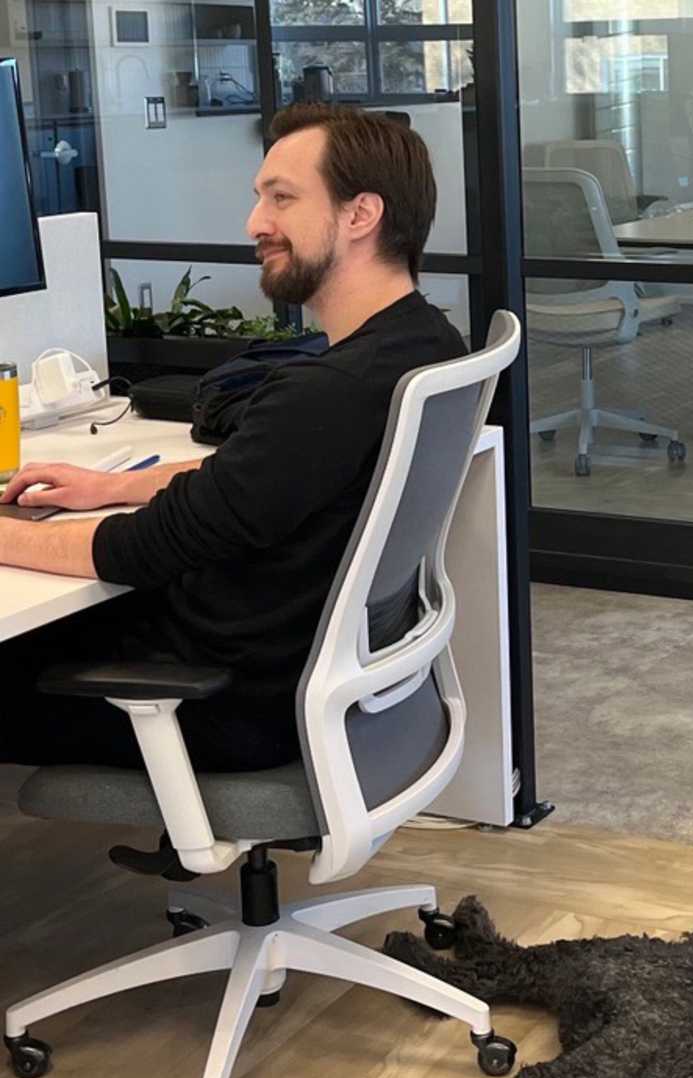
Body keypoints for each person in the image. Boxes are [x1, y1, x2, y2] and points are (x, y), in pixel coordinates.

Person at [0, 104, 466, 772]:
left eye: (282, 199)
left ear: (361, 215)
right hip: (294, 676)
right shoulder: (424, 343)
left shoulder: (325, 393)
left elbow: (139, 548)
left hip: (221, 702)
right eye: (259, 199)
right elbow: (245, 488)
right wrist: (115, 485)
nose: (255, 224)